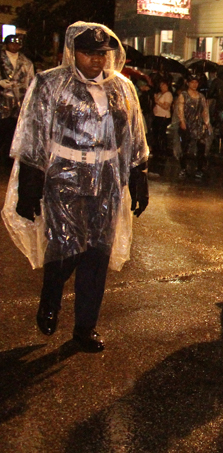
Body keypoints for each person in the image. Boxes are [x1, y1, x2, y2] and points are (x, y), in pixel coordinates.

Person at [1, 22, 149, 353]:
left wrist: (139, 173)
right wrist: (30, 183)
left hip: (106, 176)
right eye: (88, 53)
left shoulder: (122, 88)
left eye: (102, 54)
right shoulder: (50, 83)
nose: (96, 61)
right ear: (72, 52)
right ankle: (51, 299)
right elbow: (34, 132)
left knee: (97, 251)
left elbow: (135, 134)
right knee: (65, 247)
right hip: (64, 176)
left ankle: (85, 326)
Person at [0, 34, 35, 171]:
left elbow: (31, 81)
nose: (15, 46)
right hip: (2, 101)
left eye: (18, 44)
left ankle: (8, 164)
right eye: (12, 43)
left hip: (17, 104)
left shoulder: (25, 61)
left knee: (13, 135)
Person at [174, 73, 212, 178]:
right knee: (184, 148)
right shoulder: (184, 95)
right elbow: (180, 109)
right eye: (192, 82)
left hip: (198, 124)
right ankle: (183, 168)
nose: (194, 85)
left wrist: (206, 123)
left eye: (196, 82)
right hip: (187, 123)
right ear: (188, 83)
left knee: (201, 148)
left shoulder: (201, 96)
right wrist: (182, 121)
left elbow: (205, 111)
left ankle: (199, 169)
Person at [151, 80, 173, 170]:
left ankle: (162, 151)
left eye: (163, 85)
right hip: (157, 116)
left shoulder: (168, 95)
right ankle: (157, 150)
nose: (162, 87)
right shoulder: (160, 94)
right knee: (156, 134)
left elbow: (166, 106)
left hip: (163, 116)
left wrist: (157, 102)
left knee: (161, 134)